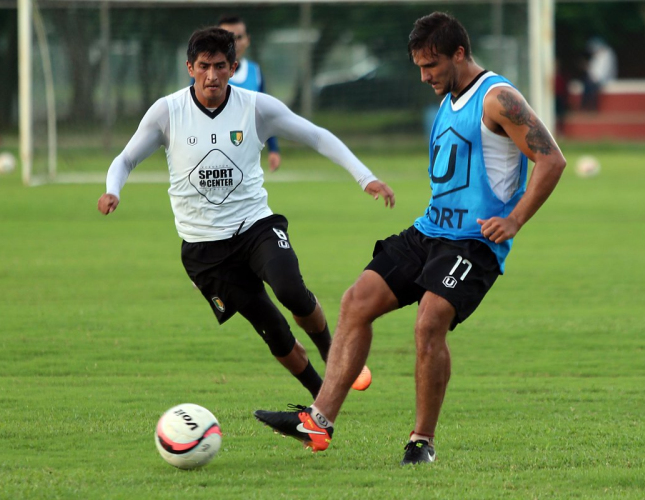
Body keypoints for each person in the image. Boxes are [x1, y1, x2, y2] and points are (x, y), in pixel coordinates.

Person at [254, 12, 566, 465]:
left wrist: (514, 220)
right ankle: (318, 423)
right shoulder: (448, 99)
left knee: (429, 321)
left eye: (432, 65)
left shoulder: (498, 99)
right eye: (419, 67)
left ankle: (422, 442)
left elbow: (551, 160)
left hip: (473, 244)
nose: (425, 76)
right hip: (429, 231)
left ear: (460, 53)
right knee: (356, 300)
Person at [97, 28, 394, 400]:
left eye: (220, 66)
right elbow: (125, 159)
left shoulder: (256, 107)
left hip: (256, 228)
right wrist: (113, 189)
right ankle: (323, 401)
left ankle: (332, 353)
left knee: (291, 291)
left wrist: (365, 177)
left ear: (233, 67)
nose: (212, 76)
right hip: (205, 250)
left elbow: (316, 135)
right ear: (189, 67)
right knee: (274, 331)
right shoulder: (167, 112)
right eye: (203, 66)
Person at [218, 15, 281, 173]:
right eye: (228, 38)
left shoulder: (255, 71)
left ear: (247, 40)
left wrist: (273, 148)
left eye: (239, 37)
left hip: (246, 156)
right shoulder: (207, 74)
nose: (234, 43)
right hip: (213, 153)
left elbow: (265, 112)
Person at [581, 37, 617, 111]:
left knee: (591, 88)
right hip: (594, 78)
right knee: (586, 85)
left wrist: (596, 78)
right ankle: (585, 106)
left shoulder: (607, 54)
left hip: (602, 79)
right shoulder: (597, 55)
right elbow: (593, 69)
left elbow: (605, 69)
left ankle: (592, 107)